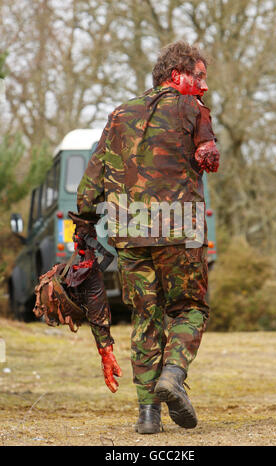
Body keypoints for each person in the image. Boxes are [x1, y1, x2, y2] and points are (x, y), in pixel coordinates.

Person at [75, 40, 220, 434]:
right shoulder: (193, 110)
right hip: (180, 229)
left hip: (130, 233)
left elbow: (90, 184)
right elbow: (210, 158)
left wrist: (85, 225)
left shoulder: (119, 115)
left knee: (145, 315)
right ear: (177, 76)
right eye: (200, 76)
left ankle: (148, 416)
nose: (205, 86)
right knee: (190, 308)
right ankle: (173, 375)